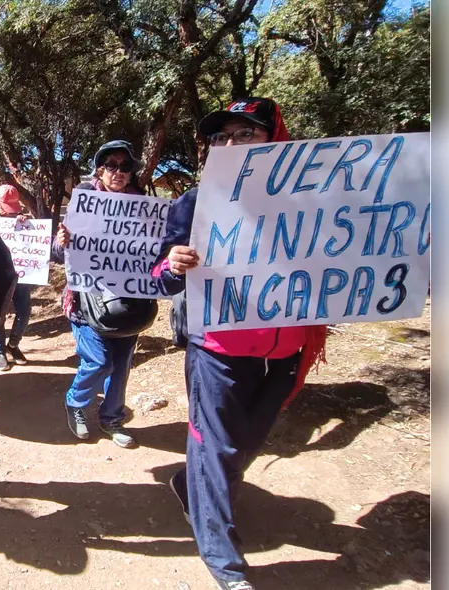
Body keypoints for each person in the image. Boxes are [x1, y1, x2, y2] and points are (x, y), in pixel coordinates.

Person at [152, 97, 328, 590]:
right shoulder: (192, 203)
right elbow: (159, 277)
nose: (229, 145)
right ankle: (223, 560)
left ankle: (191, 488)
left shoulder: (311, 200)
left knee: (244, 444)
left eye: (245, 134)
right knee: (218, 448)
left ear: (276, 138)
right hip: (217, 352)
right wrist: (174, 264)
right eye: (219, 137)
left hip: (287, 351)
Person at [51, 140, 150, 448]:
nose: (119, 172)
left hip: (128, 300)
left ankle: (111, 419)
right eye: (112, 166)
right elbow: (57, 254)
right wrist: (61, 241)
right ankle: (75, 403)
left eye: (125, 167)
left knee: (120, 368)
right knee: (99, 361)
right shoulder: (84, 199)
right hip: (86, 301)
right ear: (100, 169)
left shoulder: (141, 203)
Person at [0, 184, 33, 370]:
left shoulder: (20, 218)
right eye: (8, 208)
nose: (11, 213)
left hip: (21, 275)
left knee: (24, 312)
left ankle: (13, 345)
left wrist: (25, 224)